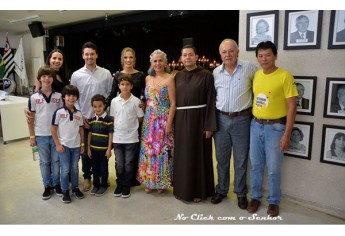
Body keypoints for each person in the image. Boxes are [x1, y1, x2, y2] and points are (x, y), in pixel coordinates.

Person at [247, 41, 298, 217]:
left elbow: (292, 106)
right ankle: (255, 197)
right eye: (260, 56)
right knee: (255, 166)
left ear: (275, 55)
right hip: (255, 125)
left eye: (268, 55)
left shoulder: (285, 76)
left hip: (276, 128)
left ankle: (274, 201)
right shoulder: (257, 75)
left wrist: (287, 133)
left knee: (274, 168)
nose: (264, 59)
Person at [212, 39, 257, 209]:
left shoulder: (250, 68)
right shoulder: (216, 72)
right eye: (224, 52)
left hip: (242, 120)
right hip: (221, 120)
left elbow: (260, 88)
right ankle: (222, 190)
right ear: (220, 54)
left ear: (237, 52)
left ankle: (240, 193)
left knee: (240, 160)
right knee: (221, 159)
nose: (228, 54)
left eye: (231, 51)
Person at [173, 45, 217, 203]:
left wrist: (209, 125)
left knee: (198, 156)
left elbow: (211, 101)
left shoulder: (206, 75)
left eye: (190, 55)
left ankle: (199, 191)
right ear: (181, 58)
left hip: (199, 121)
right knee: (182, 156)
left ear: (196, 57)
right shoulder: (177, 76)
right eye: (184, 55)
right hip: (180, 121)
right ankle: (181, 189)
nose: (187, 58)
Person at [70, 41, 113, 192]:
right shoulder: (76, 75)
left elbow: (109, 96)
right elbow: (74, 98)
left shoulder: (106, 73)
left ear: (97, 55)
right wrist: (81, 117)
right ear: (83, 56)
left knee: (101, 150)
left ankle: (102, 176)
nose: (89, 56)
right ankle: (87, 177)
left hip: (101, 121)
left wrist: (107, 116)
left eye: (92, 54)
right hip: (85, 119)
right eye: (86, 54)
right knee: (86, 151)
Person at [105, 47, 145, 187]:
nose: (128, 60)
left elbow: (144, 94)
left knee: (133, 150)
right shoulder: (117, 75)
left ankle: (132, 178)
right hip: (122, 116)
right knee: (122, 157)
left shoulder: (140, 75)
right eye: (126, 57)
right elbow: (111, 95)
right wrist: (100, 110)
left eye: (131, 57)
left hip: (135, 115)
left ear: (134, 59)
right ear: (122, 60)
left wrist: (143, 104)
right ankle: (122, 181)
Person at [137, 49, 175, 194]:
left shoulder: (170, 79)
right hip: (149, 119)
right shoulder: (147, 78)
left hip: (163, 119)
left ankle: (161, 182)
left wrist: (169, 124)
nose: (158, 63)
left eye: (160, 60)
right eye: (155, 61)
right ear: (151, 63)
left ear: (165, 62)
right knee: (148, 151)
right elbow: (148, 100)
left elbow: (173, 104)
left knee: (162, 151)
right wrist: (144, 105)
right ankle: (149, 181)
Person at [27, 65, 64, 200]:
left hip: (56, 136)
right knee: (44, 162)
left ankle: (57, 184)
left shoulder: (59, 96)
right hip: (41, 135)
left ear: (53, 79)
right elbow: (30, 119)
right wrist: (32, 136)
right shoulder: (33, 98)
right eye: (44, 76)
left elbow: (62, 117)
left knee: (56, 161)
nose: (47, 79)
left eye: (49, 76)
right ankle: (47, 186)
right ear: (39, 79)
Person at [110, 74, 144, 198]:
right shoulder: (114, 101)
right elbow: (113, 117)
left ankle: (126, 185)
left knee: (128, 163)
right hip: (117, 138)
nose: (124, 87)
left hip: (131, 138)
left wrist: (130, 123)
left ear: (131, 86)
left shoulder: (136, 102)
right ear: (118, 86)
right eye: (122, 84)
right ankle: (119, 184)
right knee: (119, 163)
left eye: (127, 84)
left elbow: (140, 118)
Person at [51, 85, 85, 203]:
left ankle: (75, 188)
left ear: (77, 98)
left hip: (76, 146)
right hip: (63, 146)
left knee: (75, 168)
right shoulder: (59, 112)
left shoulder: (79, 114)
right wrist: (57, 144)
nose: (71, 98)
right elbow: (53, 129)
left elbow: (81, 130)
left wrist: (82, 144)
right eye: (68, 95)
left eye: (74, 95)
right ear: (64, 97)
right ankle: (65, 190)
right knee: (65, 170)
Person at [25, 49, 70, 120]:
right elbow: (36, 94)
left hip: (63, 111)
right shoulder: (42, 75)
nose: (57, 61)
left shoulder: (65, 75)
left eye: (60, 59)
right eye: (54, 58)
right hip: (48, 111)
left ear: (63, 61)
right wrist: (28, 107)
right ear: (49, 59)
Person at [87, 94, 114, 197]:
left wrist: (109, 149)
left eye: (100, 106)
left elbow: (110, 135)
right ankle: (96, 185)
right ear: (92, 107)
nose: (97, 108)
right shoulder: (92, 119)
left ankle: (103, 185)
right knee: (95, 168)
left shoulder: (108, 119)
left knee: (103, 168)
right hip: (93, 149)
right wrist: (88, 148)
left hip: (104, 150)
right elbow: (90, 133)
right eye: (95, 106)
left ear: (104, 106)